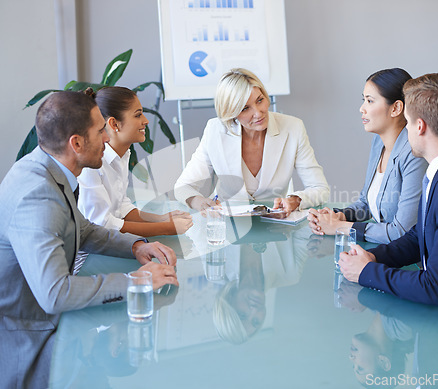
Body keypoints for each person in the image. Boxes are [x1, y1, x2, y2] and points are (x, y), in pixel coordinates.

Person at [0, 90, 179, 388]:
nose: (108, 139)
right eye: (100, 132)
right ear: (77, 143)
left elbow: (81, 227)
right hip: (29, 337)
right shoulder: (37, 195)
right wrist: (137, 281)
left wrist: (136, 245)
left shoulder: (48, 167)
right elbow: (55, 293)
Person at [339, 73, 438, 354]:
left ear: (420, 126)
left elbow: (435, 288)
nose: (406, 133)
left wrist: (367, 272)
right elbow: (418, 237)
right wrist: (375, 257)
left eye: (408, 124)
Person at [174, 68, 330, 214]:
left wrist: (295, 200)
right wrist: (199, 202)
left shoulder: (293, 128)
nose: (258, 113)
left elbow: (320, 188)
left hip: (275, 228)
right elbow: (183, 187)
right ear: (231, 113)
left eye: (260, 100)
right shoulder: (215, 130)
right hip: (229, 231)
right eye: (245, 108)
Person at [308, 68, 428, 243]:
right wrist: (339, 216)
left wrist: (340, 228)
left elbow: (402, 231)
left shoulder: (413, 155)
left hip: (407, 259)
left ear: (396, 108)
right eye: (363, 100)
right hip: (381, 251)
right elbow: (367, 203)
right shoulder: (378, 143)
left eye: (370, 101)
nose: (361, 109)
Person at [78, 86, 193, 237]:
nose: (145, 121)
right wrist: (165, 228)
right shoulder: (91, 166)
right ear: (114, 124)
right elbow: (103, 224)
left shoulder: (123, 154)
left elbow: (122, 207)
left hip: (113, 243)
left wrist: (162, 219)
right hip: (89, 255)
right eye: (138, 115)